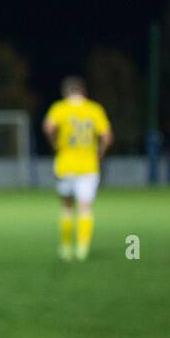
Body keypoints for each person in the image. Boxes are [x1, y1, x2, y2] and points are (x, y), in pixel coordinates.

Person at [42, 76, 112, 261]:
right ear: (83, 91)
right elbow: (106, 136)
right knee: (85, 207)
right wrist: (100, 154)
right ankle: (82, 248)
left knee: (66, 206)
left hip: (65, 164)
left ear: (66, 93)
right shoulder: (94, 109)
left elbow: (48, 128)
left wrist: (55, 144)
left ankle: (65, 248)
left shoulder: (60, 108)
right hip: (89, 165)